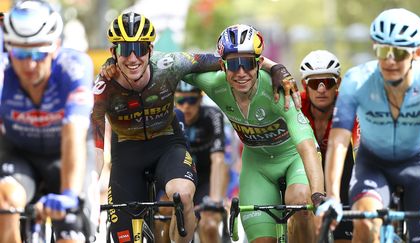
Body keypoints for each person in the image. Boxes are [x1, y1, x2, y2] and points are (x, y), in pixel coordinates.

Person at [92, 12, 298, 243]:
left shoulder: (169, 65)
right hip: (126, 154)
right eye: (124, 50)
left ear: (150, 50)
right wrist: (91, 187)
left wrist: (276, 68)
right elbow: (97, 148)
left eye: (139, 49)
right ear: (113, 53)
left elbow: (227, 58)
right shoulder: (103, 87)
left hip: (167, 145)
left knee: (183, 196)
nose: (132, 58)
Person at [182, 24, 325, 243]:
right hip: (257, 166)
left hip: (293, 159)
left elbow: (306, 145)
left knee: (299, 203)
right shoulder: (214, 84)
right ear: (222, 65)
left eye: (248, 63)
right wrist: (118, 64)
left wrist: (318, 195)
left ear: (258, 64)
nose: (241, 72)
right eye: (233, 64)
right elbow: (173, 63)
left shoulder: (278, 89)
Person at [315, 8, 420, 242]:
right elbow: (338, 141)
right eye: (382, 50)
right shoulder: (357, 80)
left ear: (418, 53)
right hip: (373, 164)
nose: (389, 60)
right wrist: (333, 197)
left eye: (398, 53)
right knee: (366, 224)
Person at [0, 1, 98, 242]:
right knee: (5, 200)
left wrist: (68, 194)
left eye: (38, 53)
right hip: (19, 155)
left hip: (64, 156)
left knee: (71, 235)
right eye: (21, 54)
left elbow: (73, 132)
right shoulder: (3, 71)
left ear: (55, 47)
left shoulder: (74, 67)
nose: (29, 64)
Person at [299, 50, 359, 242]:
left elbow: (360, 144)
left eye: (328, 82)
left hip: (343, 173)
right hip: (305, 172)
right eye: (315, 83)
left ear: (338, 84)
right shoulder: (296, 104)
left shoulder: (349, 105)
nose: (322, 89)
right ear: (304, 85)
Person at [175, 81, 228, 243]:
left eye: (191, 100)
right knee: (160, 219)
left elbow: (218, 160)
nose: (186, 106)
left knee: (209, 225)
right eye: (180, 101)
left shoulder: (212, 115)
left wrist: (215, 200)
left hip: (206, 180)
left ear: (200, 99)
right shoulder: (170, 118)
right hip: (178, 180)